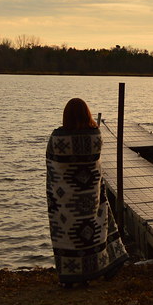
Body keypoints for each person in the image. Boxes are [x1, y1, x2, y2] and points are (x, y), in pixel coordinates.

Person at [45, 97, 128, 287]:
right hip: (90, 197)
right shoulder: (95, 136)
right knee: (93, 231)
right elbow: (96, 165)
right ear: (87, 113)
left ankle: (71, 276)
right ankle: (94, 270)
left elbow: (52, 165)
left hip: (65, 202)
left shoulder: (58, 138)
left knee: (69, 235)